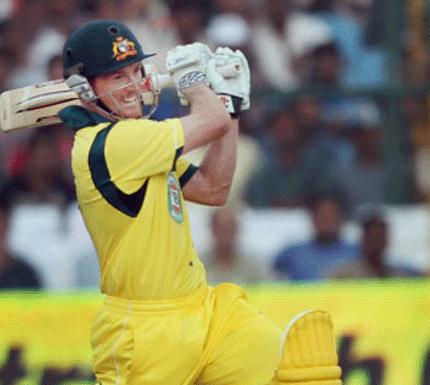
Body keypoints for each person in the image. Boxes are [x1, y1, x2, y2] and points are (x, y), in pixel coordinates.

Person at [56, 19, 342, 385]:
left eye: (137, 70)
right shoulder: (113, 144)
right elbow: (209, 119)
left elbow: (213, 187)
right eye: (116, 77)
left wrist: (230, 106)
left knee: (300, 373)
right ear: (84, 89)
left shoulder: (142, 143)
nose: (134, 85)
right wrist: (194, 82)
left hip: (203, 309)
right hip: (143, 332)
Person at [273, 195, 359, 281]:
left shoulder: (358, 252)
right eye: (322, 217)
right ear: (313, 219)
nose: (326, 222)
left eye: (330, 217)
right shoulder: (292, 252)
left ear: (341, 219)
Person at [325, 207, 425, 279]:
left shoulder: (398, 276)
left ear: (387, 240)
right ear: (363, 239)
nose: (376, 240)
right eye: (372, 234)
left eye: (380, 235)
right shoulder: (343, 276)